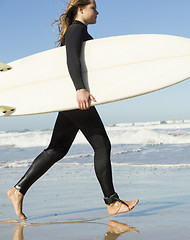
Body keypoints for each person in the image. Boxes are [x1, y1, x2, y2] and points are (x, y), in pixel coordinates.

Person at [7, 0, 139, 220]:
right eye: (93, 8)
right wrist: (80, 89)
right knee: (102, 144)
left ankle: (18, 190)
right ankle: (112, 201)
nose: (98, 12)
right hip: (76, 97)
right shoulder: (77, 30)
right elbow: (72, 59)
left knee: (57, 149)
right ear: (81, 9)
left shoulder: (77, 31)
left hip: (68, 98)